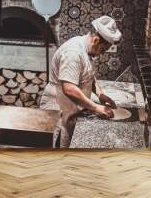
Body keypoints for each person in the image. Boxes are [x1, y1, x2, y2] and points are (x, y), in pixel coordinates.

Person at [40, 15, 122, 148]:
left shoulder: (86, 49)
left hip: (71, 107)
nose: (101, 53)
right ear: (95, 40)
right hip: (58, 108)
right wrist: (95, 108)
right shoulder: (73, 53)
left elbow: (86, 75)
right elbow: (69, 88)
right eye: (103, 49)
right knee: (56, 151)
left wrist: (100, 94)